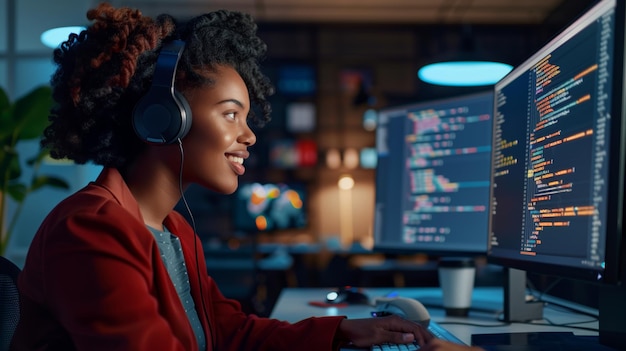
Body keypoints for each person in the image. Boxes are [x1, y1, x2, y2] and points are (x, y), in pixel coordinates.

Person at [10, 3, 485, 351]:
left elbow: (231, 333)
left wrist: (343, 332)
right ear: (163, 118)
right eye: (231, 114)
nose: (249, 137)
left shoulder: (174, 230)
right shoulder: (91, 229)